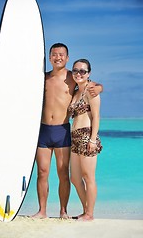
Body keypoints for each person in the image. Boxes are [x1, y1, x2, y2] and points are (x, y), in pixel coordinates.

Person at [0, 43, 103, 219]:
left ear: (67, 58)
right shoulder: (41, 78)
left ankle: (63, 211)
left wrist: (99, 87)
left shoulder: (72, 77)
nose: (57, 57)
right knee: (42, 172)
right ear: (49, 57)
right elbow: (18, 81)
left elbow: (90, 84)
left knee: (63, 172)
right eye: (54, 54)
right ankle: (42, 211)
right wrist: (1, 65)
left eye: (61, 54)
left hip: (62, 131)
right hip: (42, 130)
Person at [68, 58, 102, 221]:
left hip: (87, 135)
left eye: (83, 71)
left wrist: (93, 140)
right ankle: (86, 210)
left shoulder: (92, 90)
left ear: (88, 73)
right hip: (74, 137)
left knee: (88, 177)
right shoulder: (75, 91)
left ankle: (90, 214)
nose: (79, 73)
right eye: (76, 70)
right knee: (74, 178)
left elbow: (96, 117)